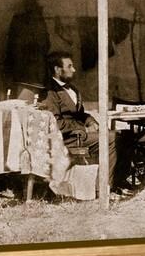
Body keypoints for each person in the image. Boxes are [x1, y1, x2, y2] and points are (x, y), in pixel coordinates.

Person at [41, 51, 131, 195]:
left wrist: (90, 121)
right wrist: (83, 128)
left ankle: (118, 181)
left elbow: (81, 114)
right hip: (67, 138)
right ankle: (103, 189)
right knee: (111, 139)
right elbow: (55, 123)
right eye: (69, 66)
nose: (74, 69)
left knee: (125, 136)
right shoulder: (50, 92)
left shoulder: (73, 89)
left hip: (79, 134)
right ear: (58, 70)